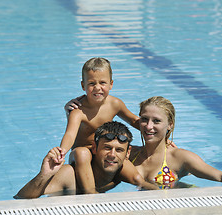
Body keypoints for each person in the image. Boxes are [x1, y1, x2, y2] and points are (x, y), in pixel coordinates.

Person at [128, 96, 222, 196]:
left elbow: (220, 175)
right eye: (144, 119)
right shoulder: (130, 153)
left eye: (156, 121)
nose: (149, 126)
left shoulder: (179, 157)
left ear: (170, 125)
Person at [58, 57, 153, 193]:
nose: (97, 88)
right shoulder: (78, 111)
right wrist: (62, 152)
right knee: (82, 153)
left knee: (138, 179)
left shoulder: (114, 104)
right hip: (82, 157)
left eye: (102, 82)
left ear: (111, 84)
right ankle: (91, 195)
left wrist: (161, 137)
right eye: (91, 83)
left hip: (105, 152)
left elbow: (133, 120)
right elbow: (70, 134)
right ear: (83, 85)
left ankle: (164, 194)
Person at [15, 121, 134, 198]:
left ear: (127, 153)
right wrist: (44, 175)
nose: (112, 155)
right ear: (94, 148)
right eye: (107, 148)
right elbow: (22, 197)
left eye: (119, 150)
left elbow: (153, 179)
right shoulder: (70, 175)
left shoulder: (125, 173)